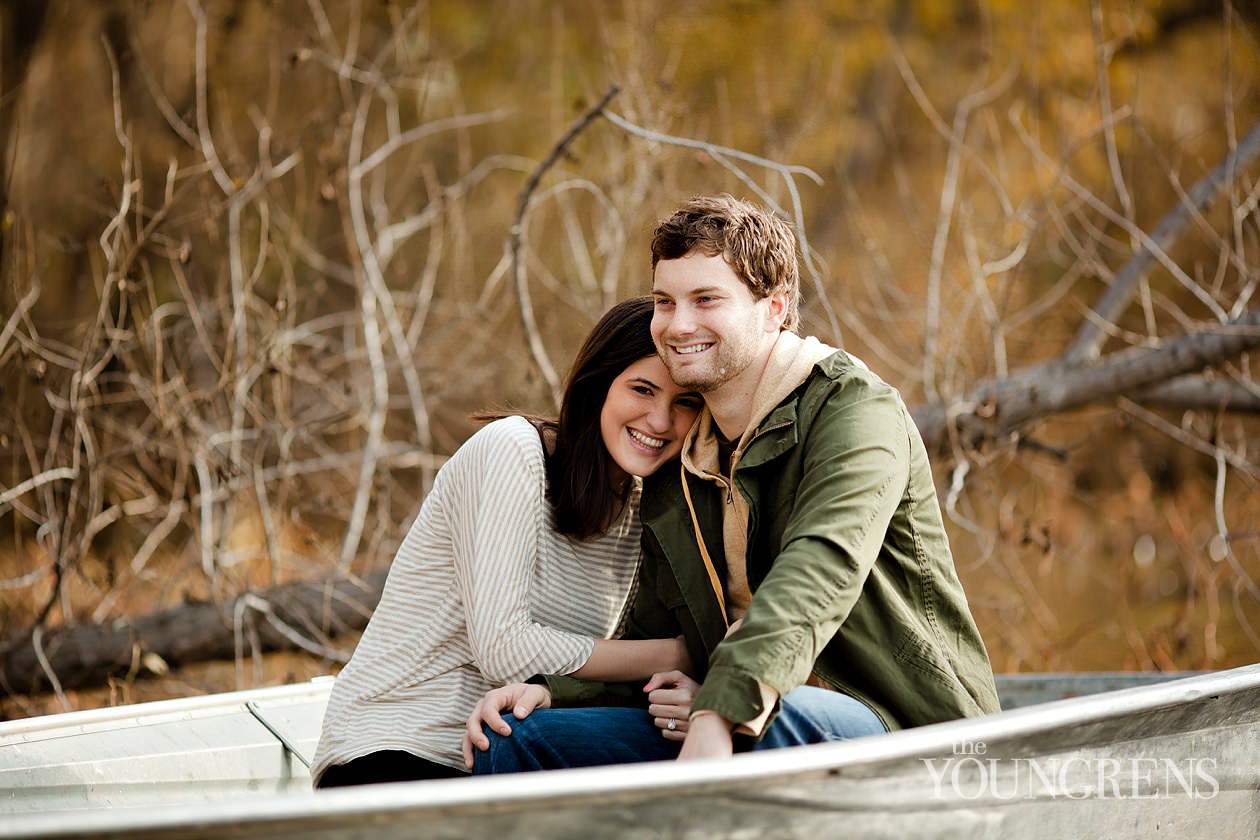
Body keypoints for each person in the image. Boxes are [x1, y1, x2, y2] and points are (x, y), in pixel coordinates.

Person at [465, 194, 1001, 773]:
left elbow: (819, 569)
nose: (678, 324)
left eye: (706, 300)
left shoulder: (855, 412)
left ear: (774, 308)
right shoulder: (688, 456)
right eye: (665, 302)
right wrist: (555, 694)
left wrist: (717, 711)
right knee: (522, 737)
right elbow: (662, 631)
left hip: (900, 724)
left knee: (777, 723)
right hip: (739, 708)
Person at [310, 296, 702, 787]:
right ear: (597, 385)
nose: (660, 421)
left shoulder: (646, 504)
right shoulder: (515, 450)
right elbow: (504, 648)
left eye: (684, 402)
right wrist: (681, 654)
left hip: (507, 756)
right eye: (642, 389)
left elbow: (584, 669)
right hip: (396, 751)